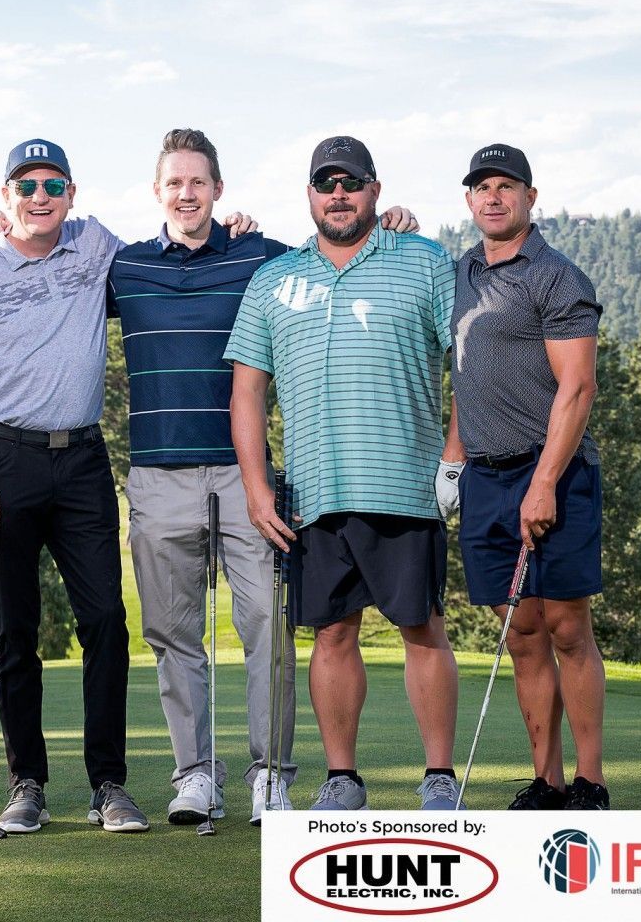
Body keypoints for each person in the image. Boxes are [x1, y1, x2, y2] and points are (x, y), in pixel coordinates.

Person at [109, 129, 420, 827]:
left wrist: (394, 225)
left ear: (218, 190)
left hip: (245, 475)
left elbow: (339, 246)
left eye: (198, 182)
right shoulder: (124, 268)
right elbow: (54, 269)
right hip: (157, 477)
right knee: (171, 632)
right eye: (173, 183)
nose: (185, 194)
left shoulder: (262, 259)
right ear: (157, 192)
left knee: (267, 629)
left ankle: (269, 774)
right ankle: (194, 776)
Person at [225, 135, 465, 812]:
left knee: (422, 628)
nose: (338, 195)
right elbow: (246, 389)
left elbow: (467, 367)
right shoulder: (274, 278)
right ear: (308, 195)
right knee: (332, 634)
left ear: (374, 191)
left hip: (406, 485)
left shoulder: (423, 262)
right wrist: (254, 484)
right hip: (313, 490)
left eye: (350, 183)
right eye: (325, 184)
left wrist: (454, 457)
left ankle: (439, 777)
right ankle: (341, 779)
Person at [0, 138, 150, 834]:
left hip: (82, 459)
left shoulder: (95, 247)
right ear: (5, 197)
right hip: (3, 459)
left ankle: (108, 784)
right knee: (14, 631)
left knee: (105, 624)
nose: (39, 196)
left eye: (52, 183)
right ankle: (27, 784)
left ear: (73, 195)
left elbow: (172, 246)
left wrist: (234, 227)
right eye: (24, 186)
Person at [440, 143, 608, 810]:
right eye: (481, 187)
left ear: (529, 198)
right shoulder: (460, 273)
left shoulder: (556, 278)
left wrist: (542, 483)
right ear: (469, 201)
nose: (492, 197)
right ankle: (546, 779)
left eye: (505, 186)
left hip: (555, 473)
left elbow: (577, 388)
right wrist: (452, 463)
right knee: (521, 631)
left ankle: (589, 781)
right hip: (484, 476)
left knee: (567, 626)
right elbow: (463, 375)